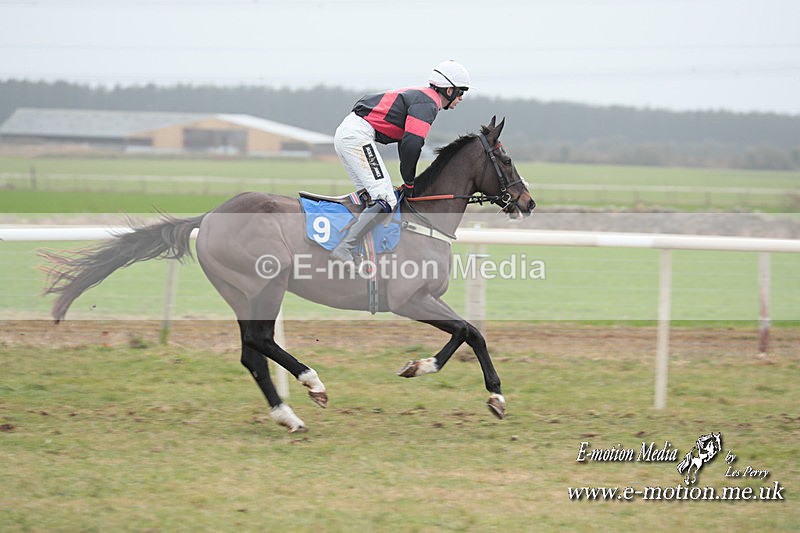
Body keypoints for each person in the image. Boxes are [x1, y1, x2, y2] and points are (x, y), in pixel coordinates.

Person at [329, 60, 471, 262]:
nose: (462, 98)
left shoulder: (424, 98)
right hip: (357, 135)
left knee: (371, 199)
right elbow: (411, 145)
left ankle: (360, 250)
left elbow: (406, 142)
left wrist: (408, 179)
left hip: (351, 132)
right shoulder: (428, 104)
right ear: (449, 90)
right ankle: (345, 248)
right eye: (461, 91)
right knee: (385, 199)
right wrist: (410, 182)